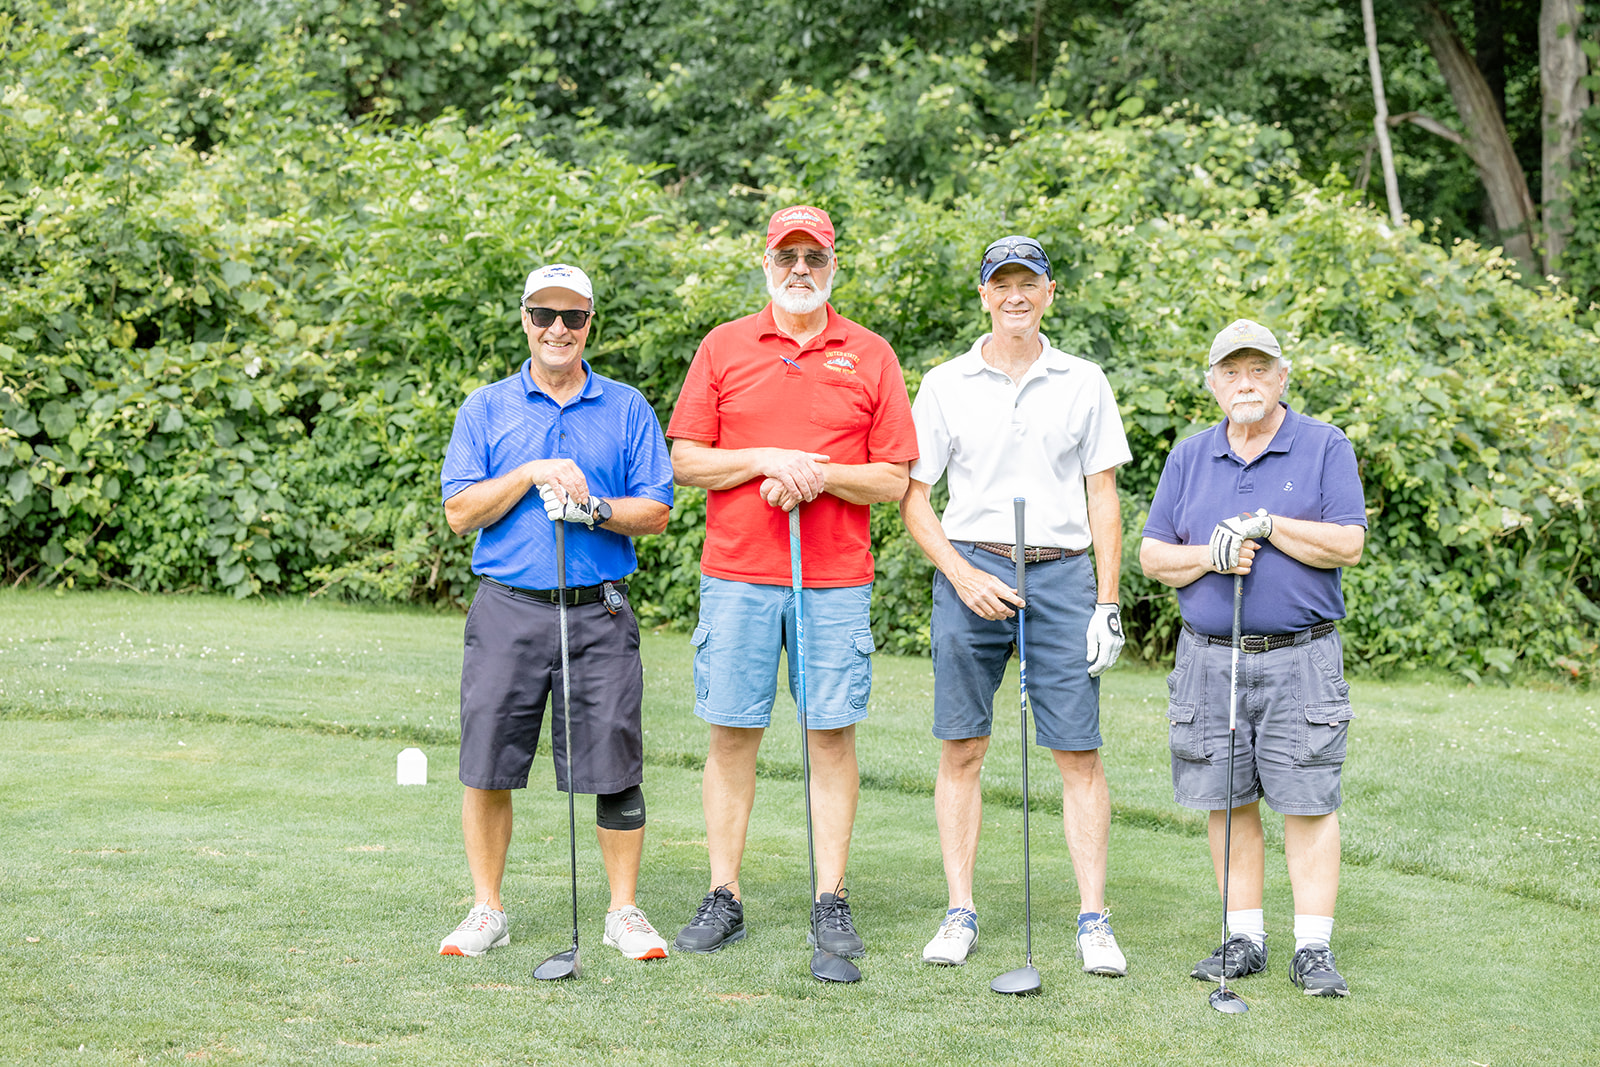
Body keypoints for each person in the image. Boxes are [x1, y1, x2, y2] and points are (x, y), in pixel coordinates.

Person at [665, 205, 918, 958]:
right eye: (787, 257)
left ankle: (830, 896)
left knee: (829, 736)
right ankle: (724, 892)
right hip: (738, 573)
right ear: (765, 263)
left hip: (834, 579)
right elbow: (685, 460)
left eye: (814, 257)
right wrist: (769, 458)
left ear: (833, 266)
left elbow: (892, 477)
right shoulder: (724, 347)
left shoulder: (870, 354)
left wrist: (818, 475)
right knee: (732, 733)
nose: (800, 270)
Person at [899, 235, 1133, 975]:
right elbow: (915, 498)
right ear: (983, 295)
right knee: (962, 745)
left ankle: (1093, 919)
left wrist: (1107, 601)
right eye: (1001, 283)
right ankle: (960, 908)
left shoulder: (1084, 380)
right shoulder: (943, 382)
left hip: (1061, 576)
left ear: (1049, 291)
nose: (1014, 296)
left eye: (1027, 282)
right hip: (973, 569)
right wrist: (960, 574)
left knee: (1078, 754)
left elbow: (1103, 494)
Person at [437, 263, 676, 962]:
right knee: (487, 762)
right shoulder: (486, 407)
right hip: (508, 608)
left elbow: (656, 510)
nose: (558, 329)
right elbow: (459, 512)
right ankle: (488, 908)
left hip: (598, 610)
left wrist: (594, 509)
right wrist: (533, 471)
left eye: (572, 316)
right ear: (524, 320)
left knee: (614, 766)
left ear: (589, 324)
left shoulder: (627, 406)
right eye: (544, 314)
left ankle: (623, 911)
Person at [1139, 318, 1366, 997]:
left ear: (1281, 377)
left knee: (1308, 798)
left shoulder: (1324, 446)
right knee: (1226, 798)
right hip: (1209, 658)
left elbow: (1347, 543)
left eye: (1258, 369)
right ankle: (1244, 938)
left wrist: (1269, 524)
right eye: (1231, 371)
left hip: (1301, 656)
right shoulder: (1190, 456)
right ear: (1212, 383)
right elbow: (1154, 556)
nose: (1245, 381)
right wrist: (1209, 553)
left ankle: (1313, 948)